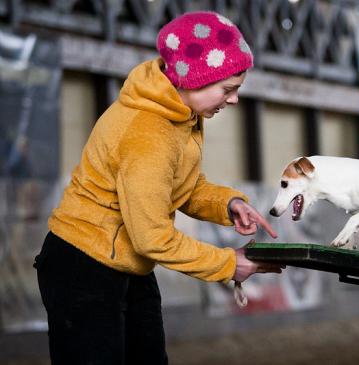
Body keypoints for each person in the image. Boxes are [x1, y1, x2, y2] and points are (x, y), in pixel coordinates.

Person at [33, 11, 283, 364]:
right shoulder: (149, 133)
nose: (233, 100)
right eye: (228, 89)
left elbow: (184, 186)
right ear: (194, 77)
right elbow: (152, 237)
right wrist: (228, 264)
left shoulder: (182, 114)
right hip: (84, 265)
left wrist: (227, 204)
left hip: (128, 263)